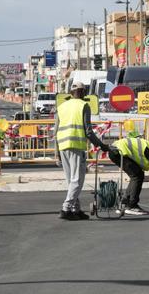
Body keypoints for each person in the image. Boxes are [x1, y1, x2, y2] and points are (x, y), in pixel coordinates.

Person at [53, 82, 106, 220]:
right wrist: (101, 145)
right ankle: (66, 208)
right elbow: (88, 132)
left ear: (71, 93)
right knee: (77, 180)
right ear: (83, 92)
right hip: (76, 146)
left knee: (71, 180)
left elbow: (55, 131)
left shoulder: (61, 106)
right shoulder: (84, 105)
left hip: (63, 145)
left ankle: (75, 210)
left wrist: (56, 152)